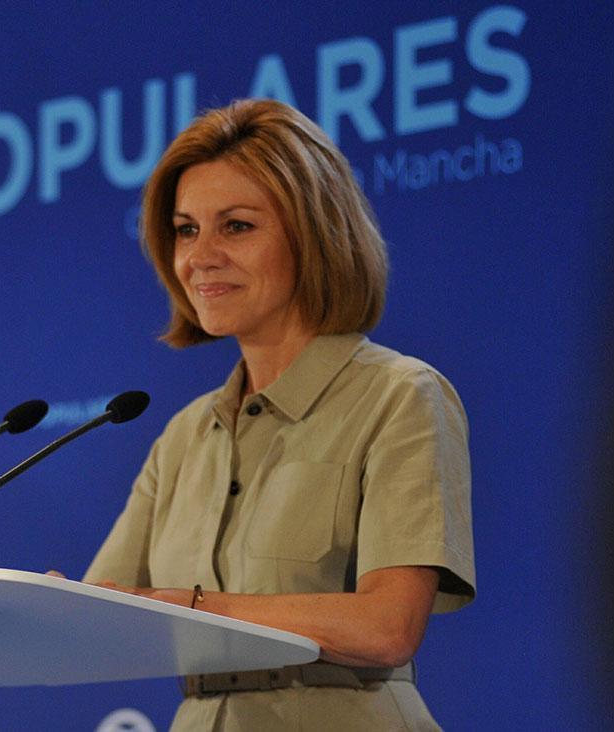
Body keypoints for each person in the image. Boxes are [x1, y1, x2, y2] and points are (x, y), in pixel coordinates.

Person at [84, 99, 475, 731]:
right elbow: (101, 619)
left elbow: (387, 628)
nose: (200, 256)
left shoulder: (400, 395)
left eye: (236, 226)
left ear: (313, 235)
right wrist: (21, 605)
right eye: (186, 230)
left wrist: (192, 606)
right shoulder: (184, 436)